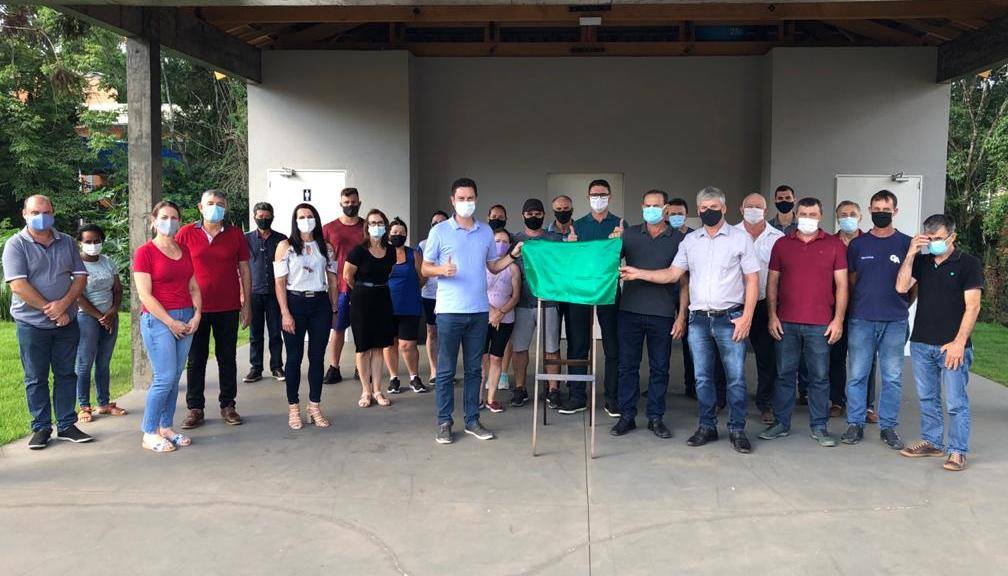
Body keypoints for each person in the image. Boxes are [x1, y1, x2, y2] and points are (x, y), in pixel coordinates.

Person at [620, 186, 759, 454]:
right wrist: (638, 273)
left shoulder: (740, 239)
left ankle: (737, 429)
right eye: (704, 208)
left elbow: (752, 279)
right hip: (699, 320)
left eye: (714, 207)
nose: (709, 212)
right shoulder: (690, 241)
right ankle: (707, 426)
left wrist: (747, 317)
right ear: (698, 210)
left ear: (724, 208)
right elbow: (673, 274)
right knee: (702, 378)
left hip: (730, 318)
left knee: (736, 379)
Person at [421, 177, 523, 445]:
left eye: (470, 198)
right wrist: (442, 270)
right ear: (452, 201)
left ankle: (472, 420)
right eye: (461, 198)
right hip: (449, 311)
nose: (466, 203)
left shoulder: (486, 232)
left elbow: (493, 266)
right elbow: (425, 268)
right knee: (446, 371)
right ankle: (444, 422)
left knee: (474, 370)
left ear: (476, 199)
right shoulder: (440, 231)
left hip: (479, 312)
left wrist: (512, 256)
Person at [4, 194, 92, 449]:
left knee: (66, 373)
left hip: (66, 323)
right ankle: (41, 428)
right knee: (36, 377)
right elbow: (18, 285)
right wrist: (51, 310)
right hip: (31, 324)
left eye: (46, 212)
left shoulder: (66, 242)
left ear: (53, 213)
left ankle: (66, 424)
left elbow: (80, 277)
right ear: (24, 214)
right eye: (35, 212)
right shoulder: (15, 245)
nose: (41, 217)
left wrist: (63, 306)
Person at [896, 214, 983, 472]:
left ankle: (958, 450)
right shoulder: (922, 262)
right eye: (929, 238)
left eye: (939, 238)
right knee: (927, 397)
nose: (933, 242)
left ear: (952, 237)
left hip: (952, 346)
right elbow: (901, 287)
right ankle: (933, 442)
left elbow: (973, 306)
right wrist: (911, 253)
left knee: (956, 402)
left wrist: (959, 342)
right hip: (922, 343)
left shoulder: (968, 264)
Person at [761, 197, 848, 448]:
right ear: (796, 216)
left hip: (821, 324)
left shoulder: (834, 245)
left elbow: (842, 286)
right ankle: (781, 422)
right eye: (804, 214)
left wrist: (838, 320)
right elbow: (772, 282)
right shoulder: (782, 244)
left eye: (813, 214)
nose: (808, 219)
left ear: (820, 216)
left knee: (819, 377)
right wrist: (772, 315)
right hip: (786, 322)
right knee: (784, 375)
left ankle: (819, 426)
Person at [609, 190, 684, 439]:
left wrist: (681, 316)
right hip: (629, 310)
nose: (651, 209)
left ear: (666, 208)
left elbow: (684, 282)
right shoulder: (629, 235)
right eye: (647, 205)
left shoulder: (679, 239)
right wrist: (610, 243)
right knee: (627, 367)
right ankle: (627, 416)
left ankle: (655, 417)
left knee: (660, 368)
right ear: (642, 207)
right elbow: (608, 262)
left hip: (662, 313)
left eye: (656, 205)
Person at [840, 190, 911, 449]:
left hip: (894, 321)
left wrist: (900, 304)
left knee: (892, 377)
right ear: (869, 211)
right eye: (877, 209)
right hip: (862, 319)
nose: (881, 213)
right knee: (857, 375)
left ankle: (888, 427)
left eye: (886, 209)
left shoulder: (906, 243)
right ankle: (855, 423)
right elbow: (852, 280)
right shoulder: (858, 245)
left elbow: (913, 285)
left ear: (895, 212)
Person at [176, 189, 251, 428]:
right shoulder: (186, 233)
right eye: (210, 203)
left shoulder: (235, 234)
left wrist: (247, 304)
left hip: (227, 306)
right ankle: (195, 408)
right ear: (200, 207)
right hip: (195, 309)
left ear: (225, 207)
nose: (215, 207)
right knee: (196, 359)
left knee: (227, 357)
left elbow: (245, 269)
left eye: (219, 203)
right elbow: (175, 266)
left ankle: (228, 405)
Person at [133, 200, 202, 453]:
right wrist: (170, 321)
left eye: (174, 218)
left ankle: (166, 427)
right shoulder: (145, 252)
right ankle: (149, 431)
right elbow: (145, 295)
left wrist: (197, 314)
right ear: (154, 222)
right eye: (164, 217)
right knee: (164, 377)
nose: (169, 222)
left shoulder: (184, 249)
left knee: (174, 377)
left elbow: (193, 286)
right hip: (159, 319)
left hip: (186, 317)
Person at [273, 203, 339, 429]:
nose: (306, 220)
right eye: (301, 217)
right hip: (294, 302)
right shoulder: (285, 246)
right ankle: (293, 408)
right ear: (295, 220)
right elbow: (279, 283)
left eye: (309, 216)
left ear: (316, 219)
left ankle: (314, 406)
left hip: (319, 303)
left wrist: (334, 308)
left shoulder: (326, 247)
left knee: (317, 357)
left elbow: (332, 280)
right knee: (294, 357)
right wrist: (285, 312)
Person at [566, 179, 621, 417]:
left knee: (612, 344)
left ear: (610, 196)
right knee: (578, 343)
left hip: (609, 289)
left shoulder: (620, 224)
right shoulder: (577, 225)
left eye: (603, 194)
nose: (599, 198)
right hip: (581, 290)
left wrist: (621, 240)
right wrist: (570, 245)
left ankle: (613, 398)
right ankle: (577, 396)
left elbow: (624, 255)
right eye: (594, 195)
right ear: (588, 198)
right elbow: (570, 260)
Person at [667, 197, 727, 408]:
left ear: (687, 214)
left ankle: (692, 384)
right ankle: (663, 383)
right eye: (672, 214)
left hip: (692, 295)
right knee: (665, 339)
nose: (676, 217)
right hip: (666, 293)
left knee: (691, 342)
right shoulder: (664, 236)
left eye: (680, 213)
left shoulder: (695, 236)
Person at [734, 193, 784, 425]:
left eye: (758, 207)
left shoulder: (778, 238)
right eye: (749, 206)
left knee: (767, 357)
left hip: (765, 303)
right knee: (730, 355)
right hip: (735, 304)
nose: (753, 210)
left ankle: (766, 402)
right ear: (741, 209)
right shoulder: (731, 234)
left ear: (766, 210)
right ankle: (724, 399)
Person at [508, 198, 564, 409]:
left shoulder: (554, 239)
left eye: (538, 214)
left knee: (552, 348)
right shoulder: (515, 240)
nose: (534, 217)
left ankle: (553, 389)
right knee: (519, 348)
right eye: (530, 214)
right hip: (521, 302)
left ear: (544, 215)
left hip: (549, 302)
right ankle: (520, 388)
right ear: (523, 215)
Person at [344, 209, 397, 408]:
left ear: (386, 226)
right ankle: (366, 391)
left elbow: (388, 273)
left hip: (383, 298)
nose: (376, 226)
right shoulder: (358, 251)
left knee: (379, 347)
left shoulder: (390, 251)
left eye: (380, 222)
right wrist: (363, 289)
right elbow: (347, 276)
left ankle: (377, 390)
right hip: (361, 301)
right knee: (363, 347)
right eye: (373, 223)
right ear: (367, 227)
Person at [75, 223, 126, 422]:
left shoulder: (108, 262)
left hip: (110, 316)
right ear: (80, 243)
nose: (93, 245)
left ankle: (104, 403)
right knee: (84, 363)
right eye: (88, 241)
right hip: (86, 317)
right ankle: (84, 406)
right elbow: (77, 296)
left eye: (96, 241)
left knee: (103, 362)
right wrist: (100, 316)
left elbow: (118, 289)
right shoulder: (76, 264)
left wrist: (112, 311)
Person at [833, 200, 879, 422]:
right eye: (843, 214)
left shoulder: (870, 243)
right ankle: (837, 401)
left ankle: (867, 406)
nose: (848, 217)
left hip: (864, 310)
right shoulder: (830, 243)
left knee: (866, 360)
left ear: (861, 217)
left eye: (852, 214)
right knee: (836, 356)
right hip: (835, 311)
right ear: (837, 217)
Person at [322, 187, 365, 384]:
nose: (350, 205)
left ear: (359, 203)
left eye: (353, 202)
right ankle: (334, 367)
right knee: (337, 329)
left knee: (361, 329)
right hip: (339, 287)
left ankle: (360, 367)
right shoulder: (329, 228)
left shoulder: (367, 226)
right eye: (346, 202)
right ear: (341, 203)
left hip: (363, 287)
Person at [384, 217, 429, 394]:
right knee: (390, 344)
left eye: (402, 233)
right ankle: (393, 378)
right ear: (388, 234)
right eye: (395, 232)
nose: (398, 235)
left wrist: (409, 290)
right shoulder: (382, 254)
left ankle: (414, 377)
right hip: (386, 307)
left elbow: (423, 278)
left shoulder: (414, 254)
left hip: (409, 306)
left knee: (407, 345)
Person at [244, 202, 287, 383]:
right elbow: (240, 267)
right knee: (255, 333)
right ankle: (256, 368)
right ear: (254, 217)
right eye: (260, 217)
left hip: (275, 293)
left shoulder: (282, 239)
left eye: (267, 216)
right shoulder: (245, 239)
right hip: (254, 292)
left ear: (272, 217)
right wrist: (242, 294)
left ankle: (277, 367)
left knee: (275, 332)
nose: (263, 219)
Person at [481, 228, 521, 412]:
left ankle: (491, 398)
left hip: (505, 319)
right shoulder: (482, 265)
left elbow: (516, 296)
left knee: (497, 358)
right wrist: (491, 312)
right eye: (497, 241)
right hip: (482, 317)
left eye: (505, 242)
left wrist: (500, 313)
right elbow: (476, 291)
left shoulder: (513, 268)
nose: (501, 245)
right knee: (481, 358)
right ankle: (477, 398)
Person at [418, 210, 449, 384]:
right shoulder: (423, 245)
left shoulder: (453, 241)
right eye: (434, 223)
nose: (438, 225)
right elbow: (420, 269)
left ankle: (446, 370)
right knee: (432, 331)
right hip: (429, 295)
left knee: (448, 333)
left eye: (441, 222)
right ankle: (434, 370)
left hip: (449, 295)